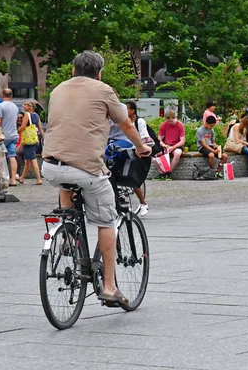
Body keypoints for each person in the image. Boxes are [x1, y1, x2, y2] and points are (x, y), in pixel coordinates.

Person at [41, 50, 151, 307]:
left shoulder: (57, 90)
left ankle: (67, 232)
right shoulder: (104, 90)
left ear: (72, 70)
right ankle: (111, 287)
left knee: (66, 179)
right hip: (87, 169)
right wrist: (142, 147)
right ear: (99, 73)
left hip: (50, 166)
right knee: (107, 221)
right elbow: (126, 124)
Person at [111, 100, 150, 217]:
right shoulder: (108, 114)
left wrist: (140, 148)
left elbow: (144, 138)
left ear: (132, 111)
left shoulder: (138, 121)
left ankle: (143, 202)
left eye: (127, 109)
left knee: (130, 174)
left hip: (130, 147)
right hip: (112, 146)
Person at [0, 88, 19, 187]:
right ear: (11, 96)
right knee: (12, 156)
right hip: (14, 135)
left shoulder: (0, 106)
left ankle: (1, 178)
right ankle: (13, 179)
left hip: (3, 136)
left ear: (2, 94)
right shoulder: (15, 107)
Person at [17, 99, 44, 185]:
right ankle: (22, 178)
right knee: (28, 160)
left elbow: (23, 126)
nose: (23, 106)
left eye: (25, 105)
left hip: (28, 141)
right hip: (35, 140)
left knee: (33, 160)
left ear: (29, 107)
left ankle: (39, 179)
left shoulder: (27, 115)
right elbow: (40, 128)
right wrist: (44, 138)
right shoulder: (36, 115)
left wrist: (17, 131)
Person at [156, 110, 185, 179]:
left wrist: (173, 147)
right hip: (166, 145)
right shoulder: (163, 125)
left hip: (177, 145)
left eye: (171, 121)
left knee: (177, 153)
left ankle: (169, 172)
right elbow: (159, 139)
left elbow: (182, 141)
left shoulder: (180, 125)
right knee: (155, 154)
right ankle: (161, 172)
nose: (169, 123)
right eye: (168, 121)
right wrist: (163, 145)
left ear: (174, 118)